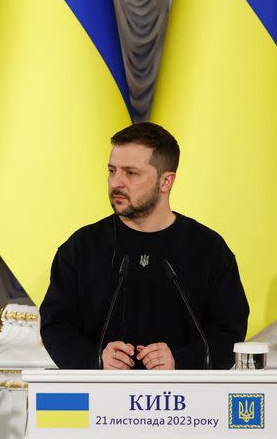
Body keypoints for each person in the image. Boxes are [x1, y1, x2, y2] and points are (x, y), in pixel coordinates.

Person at [40, 122, 248, 371]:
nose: (116, 182)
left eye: (131, 173)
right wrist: (95, 359)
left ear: (166, 182)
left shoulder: (209, 249)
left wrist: (179, 361)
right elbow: (56, 326)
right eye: (112, 170)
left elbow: (229, 333)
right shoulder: (81, 248)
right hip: (99, 402)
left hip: (187, 405)